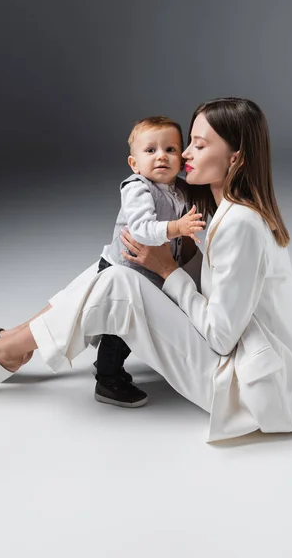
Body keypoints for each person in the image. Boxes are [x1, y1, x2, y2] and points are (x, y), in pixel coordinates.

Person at [0, 97, 292, 442]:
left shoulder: (242, 224)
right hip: (246, 364)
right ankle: (10, 344)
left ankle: (6, 351)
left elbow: (221, 337)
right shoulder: (222, 213)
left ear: (235, 158)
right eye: (189, 141)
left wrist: (168, 271)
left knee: (118, 280)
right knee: (111, 271)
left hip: (246, 387)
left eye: (199, 146)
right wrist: (169, 261)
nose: (184, 153)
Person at [92, 115, 205, 408]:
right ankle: (107, 379)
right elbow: (141, 229)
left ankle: (109, 365)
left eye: (170, 149)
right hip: (124, 269)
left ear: (182, 157)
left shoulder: (179, 188)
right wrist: (177, 228)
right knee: (121, 329)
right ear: (134, 163)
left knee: (132, 325)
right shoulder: (137, 187)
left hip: (148, 271)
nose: (161, 157)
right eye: (150, 150)